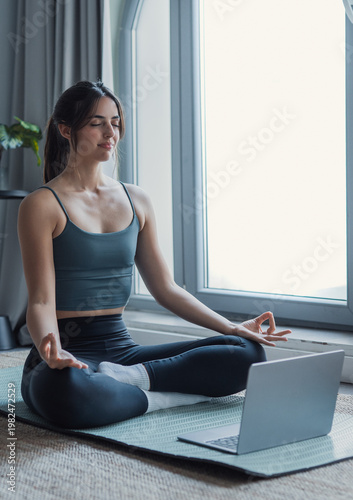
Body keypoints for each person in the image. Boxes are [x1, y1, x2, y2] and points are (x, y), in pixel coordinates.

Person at [18, 81, 290, 429]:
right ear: (66, 129)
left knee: (247, 354)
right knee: (64, 389)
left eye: (115, 122)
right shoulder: (41, 205)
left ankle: (129, 383)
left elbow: (166, 289)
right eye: (96, 122)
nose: (110, 132)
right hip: (66, 347)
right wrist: (51, 350)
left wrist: (233, 327)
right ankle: (164, 397)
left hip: (123, 353)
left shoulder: (137, 200)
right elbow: (40, 302)